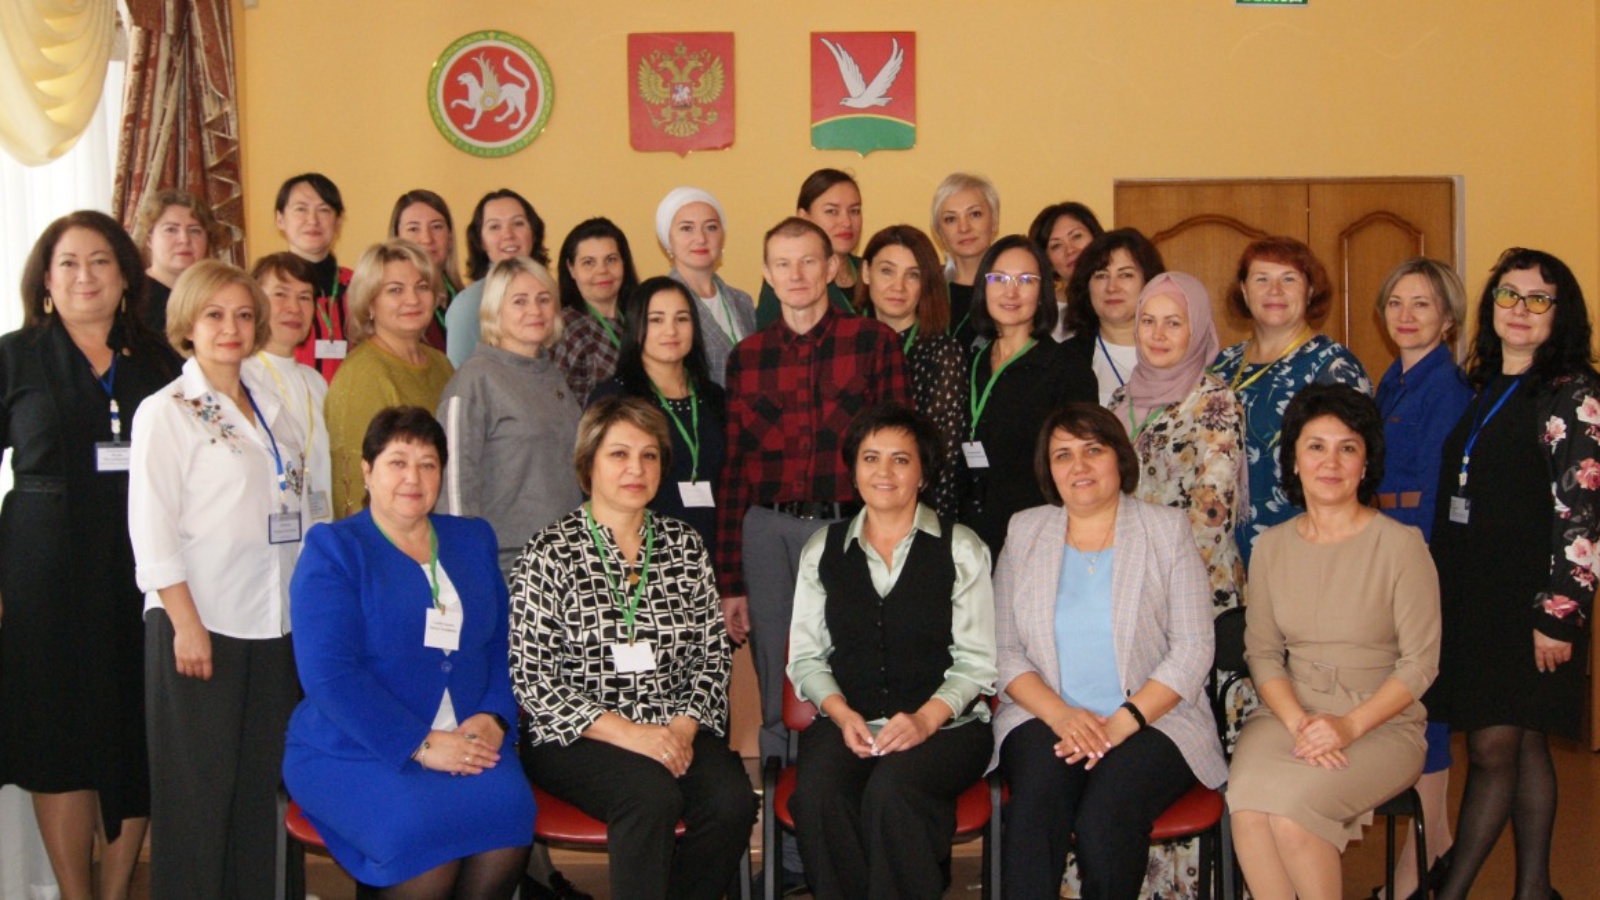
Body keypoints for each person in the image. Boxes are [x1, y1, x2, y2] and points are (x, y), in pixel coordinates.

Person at [717, 216, 910, 890]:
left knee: (856, 681)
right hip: (769, 533)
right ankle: (790, 858)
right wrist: (731, 578)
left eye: (809, 262)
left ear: (832, 267)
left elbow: (897, 453)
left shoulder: (874, 342)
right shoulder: (747, 357)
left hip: (852, 531)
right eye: (782, 264)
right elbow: (735, 468)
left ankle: (855, 836)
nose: (797, 275)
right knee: (781, 689)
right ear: (766, 275)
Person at [284, 406, 536, 898]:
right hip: (356, 746)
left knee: (510, 810)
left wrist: (495, 716)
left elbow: (503, 643)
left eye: (427, 464)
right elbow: (329, 676)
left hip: (468, 735)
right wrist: (420, 744)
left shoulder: (472, 539)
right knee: (422, 838)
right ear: (367, 470)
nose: (413, 478)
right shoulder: (334, 549)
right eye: (398, 462)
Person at [0, 211, 180, 900]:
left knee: (135, 733)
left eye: (101, 261)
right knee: (60, 740)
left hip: (142, 573)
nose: (86, 276)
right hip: (43, 575)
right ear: (46, 279)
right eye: (69, 263)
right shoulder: (14, 356)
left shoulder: (161, 361)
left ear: (126, 277)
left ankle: (115, 891)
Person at [510, 398, 757, 900]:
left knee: (732, 801)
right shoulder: (549, 551)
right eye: (618, 454)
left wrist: (683, 727)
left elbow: (712, 654)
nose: (635, 469)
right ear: (589, 465)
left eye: (649, 456)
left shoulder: (684, 545)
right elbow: (533, 679)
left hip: (673, 723)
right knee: (650, 797)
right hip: (578, 735)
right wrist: (632, 735)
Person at [992, 403, 1226, 900]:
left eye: (1092, 450)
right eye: (1063, 455)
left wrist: (1120, 723)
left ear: (1119, 458)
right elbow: (1005, 651)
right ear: (1048, 470)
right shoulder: (1025, 530)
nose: (1078, 466)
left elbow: (1192, 649)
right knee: (1036, 803)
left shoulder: (1166, 530)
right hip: (1046, 716)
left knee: (1105, 819)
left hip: (1155, 720)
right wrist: (1061, 716)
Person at [129, 259, 310, 899]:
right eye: (214, 314)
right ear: (188, 324)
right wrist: (185, 624)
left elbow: (298, 507)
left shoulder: (270, 408)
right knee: (199, 795)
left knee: (264, 789)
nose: (230, 327)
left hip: (273, 622)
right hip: (200, 625)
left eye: (242, 314)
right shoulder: (167, 411)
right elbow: (151, 530)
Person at [1427, 248, 1600, 900]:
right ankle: (1534, 889)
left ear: (1562, 314)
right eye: (1508, 295)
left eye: (1538, 299)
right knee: (1522, 745)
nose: (1520, 310)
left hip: (1532, 603)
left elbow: (1582, 514)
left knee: (1496, 749)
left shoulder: (1574, 393)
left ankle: (1453, 892)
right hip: (1479, 596)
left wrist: (1559, 614)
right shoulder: (1489, 385)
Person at [1228, 384, 1440, 900]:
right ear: (1294, 462)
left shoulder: (1401, 546)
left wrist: (1345, 727)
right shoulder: (1272, 547)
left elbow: (1419, 665)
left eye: (1348, 447)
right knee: (1248, 805)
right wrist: (1302, 723)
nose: (1331, 462)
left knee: (1295, 816)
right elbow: (1262, 653)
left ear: (1366, 463)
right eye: (1315, 446)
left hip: (1380, 721)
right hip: (1288, 714)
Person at [786, 403, 996, 899]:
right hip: (847, 720)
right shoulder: (823, 547)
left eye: (901, 460)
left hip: (946, 727)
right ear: (854, 470)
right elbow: (806, 657)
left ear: (923, 473)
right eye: (870, 458)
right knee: (818, 796)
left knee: (892, 792)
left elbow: (977, 662)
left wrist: (926, 719)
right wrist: (839, 714)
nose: (884, 472)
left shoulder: (960, 547)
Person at [1368, 257, 1472, 900]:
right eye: (1396, 303)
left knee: (1425, 714)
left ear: (1449, 319)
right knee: (1410, 715)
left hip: (1420, 561)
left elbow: (1435, 495)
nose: (1405, 316)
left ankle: (1433, 867)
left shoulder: (1448, 389)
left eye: (1422, 306)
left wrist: (1413, 576)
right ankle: (1429, 865)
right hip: (1385, 554)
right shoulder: (1392, 380)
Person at [1208, 236, 1370, 565]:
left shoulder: (1334, 367)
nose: (1274, 291)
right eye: (1261, 279)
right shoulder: (1222, 365)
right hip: (1224, 554)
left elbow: (1355, 468)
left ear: (1310, 291)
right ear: (1243, 290)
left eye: (1289, 279)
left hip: (1306, 550)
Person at [1108, 271, 1244, 613]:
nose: (1157, 334)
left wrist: (1155, 582)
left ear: (1195, 330)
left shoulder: (1215, 401)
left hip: (1192, 590)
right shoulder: (1120, 400)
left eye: (1173, 323)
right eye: (1148, 321)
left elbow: (1212, 514)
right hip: (1126, 585)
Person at [436, 257, 581, 574]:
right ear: (494, 310)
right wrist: (468, 568)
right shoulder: (474, 380)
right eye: (519, 301)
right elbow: (454, 488)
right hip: (504, 566)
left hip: (564, 559)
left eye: (544, 299)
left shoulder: (553, 377)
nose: (535, 310)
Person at [959, 235, 1098, 559]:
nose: (1011, 291)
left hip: (1039, 540)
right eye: (999, 279)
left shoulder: (1065, 370)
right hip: (969, 538)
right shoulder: (970, 363)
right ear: (983, 287)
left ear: (1043, 292)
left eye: (1026, 280)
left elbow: (1082, 465)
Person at [589, 276, 727, 546]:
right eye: (656, 320)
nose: (671, 330)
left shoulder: (714, 398)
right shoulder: (614, 400)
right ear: (636, 327)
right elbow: (594, 491)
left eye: (682, 319)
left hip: (710, 552)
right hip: (639, 554)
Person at [326, 240, 454, 519]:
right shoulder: (361, 375)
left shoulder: (441, 364)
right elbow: (351, 485)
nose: (413, 299)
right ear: (370, 302)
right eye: (395, 290)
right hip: (386, 539)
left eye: (422, 287)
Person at [855, 224, 968, 519]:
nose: (898, 286)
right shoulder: (846, 344)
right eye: (887, 271)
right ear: (866, 273)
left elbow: (941, 456)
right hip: (847, 510)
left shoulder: (942, 353)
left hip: (917, 514)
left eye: (913, 275)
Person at [245, 252, 333, 529]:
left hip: (319, 528)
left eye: (305, 297)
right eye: (281, 294)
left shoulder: (316, 381)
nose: (294, 308)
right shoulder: (240, 377)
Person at [657, 187, 756, 386]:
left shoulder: (742, 301)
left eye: (711, 227)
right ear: (668, 240)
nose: (701, 238)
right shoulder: (657, 303)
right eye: (687, 228)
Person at [1062, 228, 1166, 405]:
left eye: (1125, 275)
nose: (1112, 287)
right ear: (1086, 287)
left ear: (1149, 282)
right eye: (1101, 276)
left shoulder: (1175, 351)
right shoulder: (1065, 360)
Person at [445, 188, 547, 367]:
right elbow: (460, 378)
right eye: (494, 227)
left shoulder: (548, 290)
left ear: (534, 232)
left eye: (518, 223)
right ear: (481, 241)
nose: (508, 234)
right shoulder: (468, 305)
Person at [756, 169, 864, 327]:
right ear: (804, 217)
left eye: (854, 211)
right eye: (832, 211)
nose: (846, 222)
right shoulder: (789, 279)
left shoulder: (870, 270)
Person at [552, 217, 640, 401]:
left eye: (611, 259)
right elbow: (558, 404)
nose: (602, 271)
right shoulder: (565, 329)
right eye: (588, 262)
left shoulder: (642, 318)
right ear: (571, 269)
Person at [275, 172, 351, 382]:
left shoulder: (359, 286)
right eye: (301, 209)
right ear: (280, 219)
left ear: (337, 222)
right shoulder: (264, 289)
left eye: (324, 210)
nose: (313, 220)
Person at [131, 189, 225, 333]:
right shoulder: (133, 298)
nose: (184, 239)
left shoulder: (220, 295)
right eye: (171, 230)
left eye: (195, 230)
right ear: (149, 239)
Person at [930, 173, 1000, 349]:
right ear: (939, 233)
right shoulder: (927, 291)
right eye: (951, 219)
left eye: (975, 214)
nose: (964, 227)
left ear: (994, 222)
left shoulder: (1011, 288)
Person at [389, 189, 463, 353]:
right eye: (413, 229)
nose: (427, 238)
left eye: (436, 227)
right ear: (396, 238)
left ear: (450, 238)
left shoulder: (467, 301)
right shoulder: (390, 305)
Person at [1025, 201, 1103, 341]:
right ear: (1048, 262)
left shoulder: (1120, 298)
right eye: (1056, 246)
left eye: (1077, 236)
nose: (1070, 250)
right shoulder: (1040, 314)